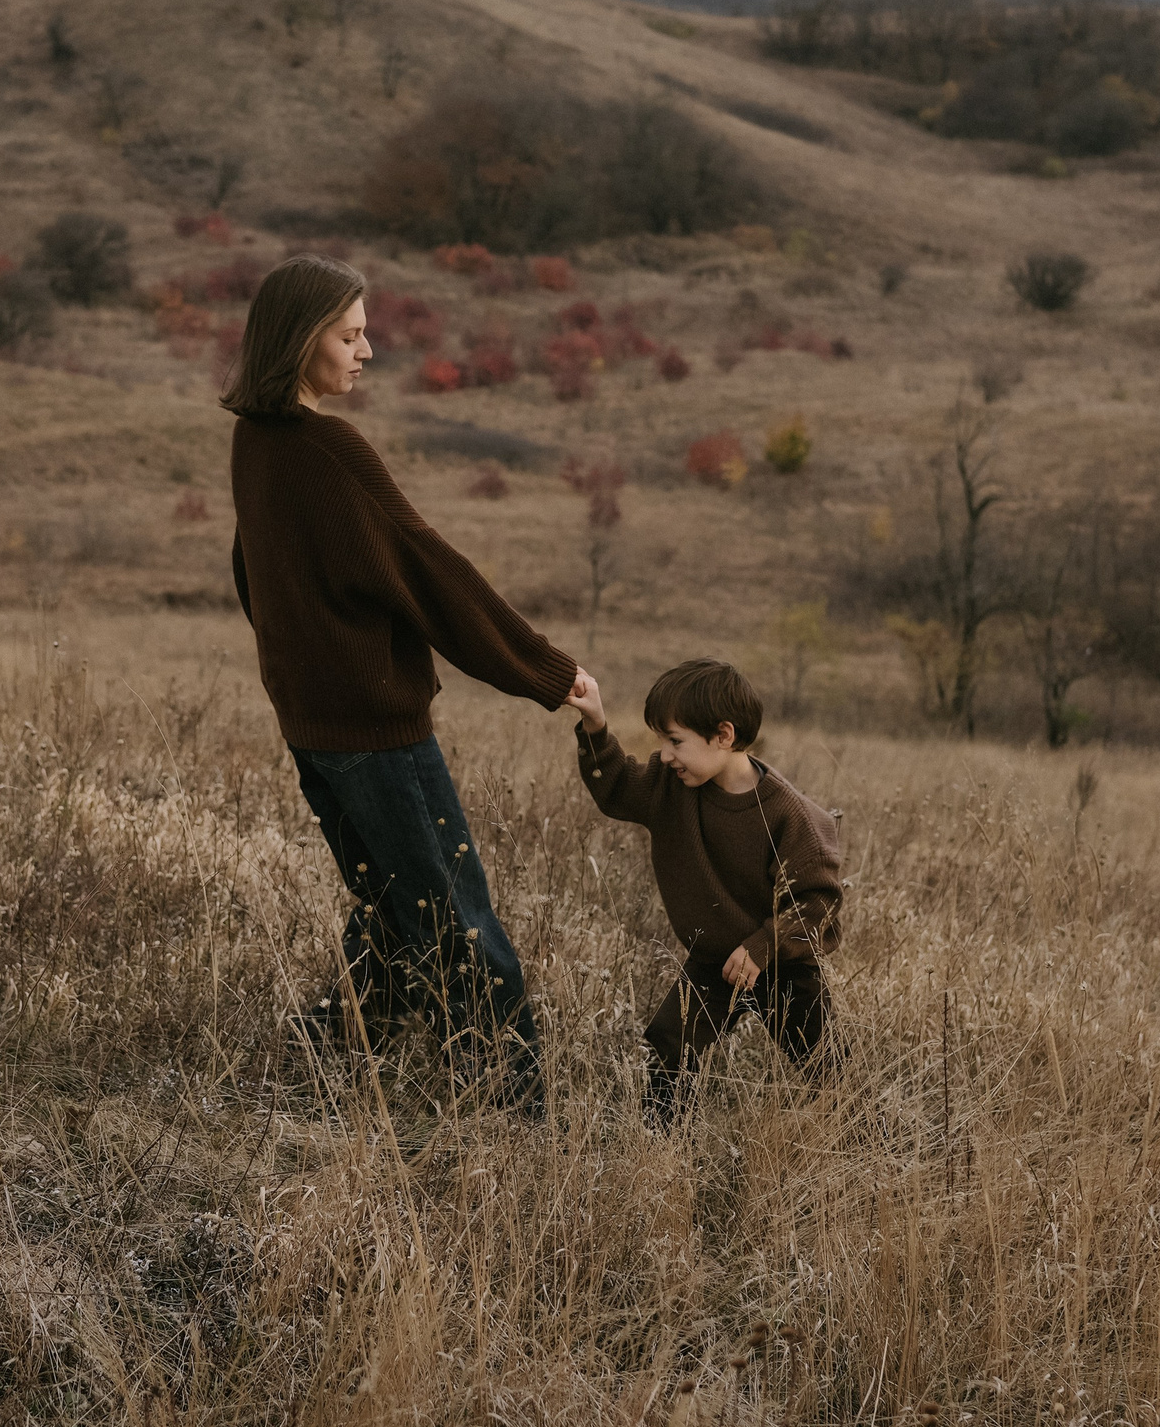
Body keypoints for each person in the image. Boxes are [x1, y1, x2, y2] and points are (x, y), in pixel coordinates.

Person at [224, 254, 587, 1106]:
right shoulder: (327, 448)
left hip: (314, 725)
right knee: (459, 925)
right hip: (373, 734)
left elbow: (254, 574)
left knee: (394, 913)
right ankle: (516, 1115)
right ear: (300, 341)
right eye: (350, 336)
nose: (369, 350)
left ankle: (320, 1065)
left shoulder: (255, 438)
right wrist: (549, 672)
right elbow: (428, 572)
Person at [569, 657, 844, 1124]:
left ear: (723, 735)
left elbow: (818, 906)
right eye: (662, 741)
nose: (666, 754)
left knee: (829, 1072)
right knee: (670, 1045)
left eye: (675, 741)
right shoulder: (670, 785)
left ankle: (872, 1146)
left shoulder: (788, 814)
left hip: (780, 963)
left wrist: (762, 948)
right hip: (711, 961)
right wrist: (594, 724)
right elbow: (615, 787)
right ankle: (663, 1146)